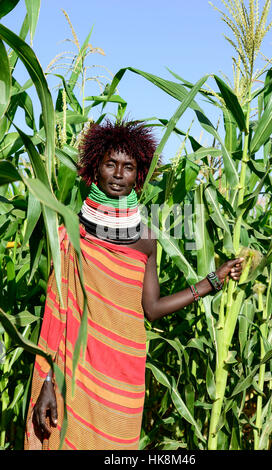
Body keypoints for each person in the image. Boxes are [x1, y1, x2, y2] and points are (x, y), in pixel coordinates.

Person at [24, 120, 243, 450]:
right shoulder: (72, 230)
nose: (117, 174)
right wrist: (47, 382)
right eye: (110, 164)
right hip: (75, 373)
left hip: (123, 376)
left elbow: (151, 310)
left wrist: (213, 281)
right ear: (95, 167)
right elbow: (57, 313)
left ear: (138, 176)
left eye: (128, 167)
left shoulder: (145, 239)